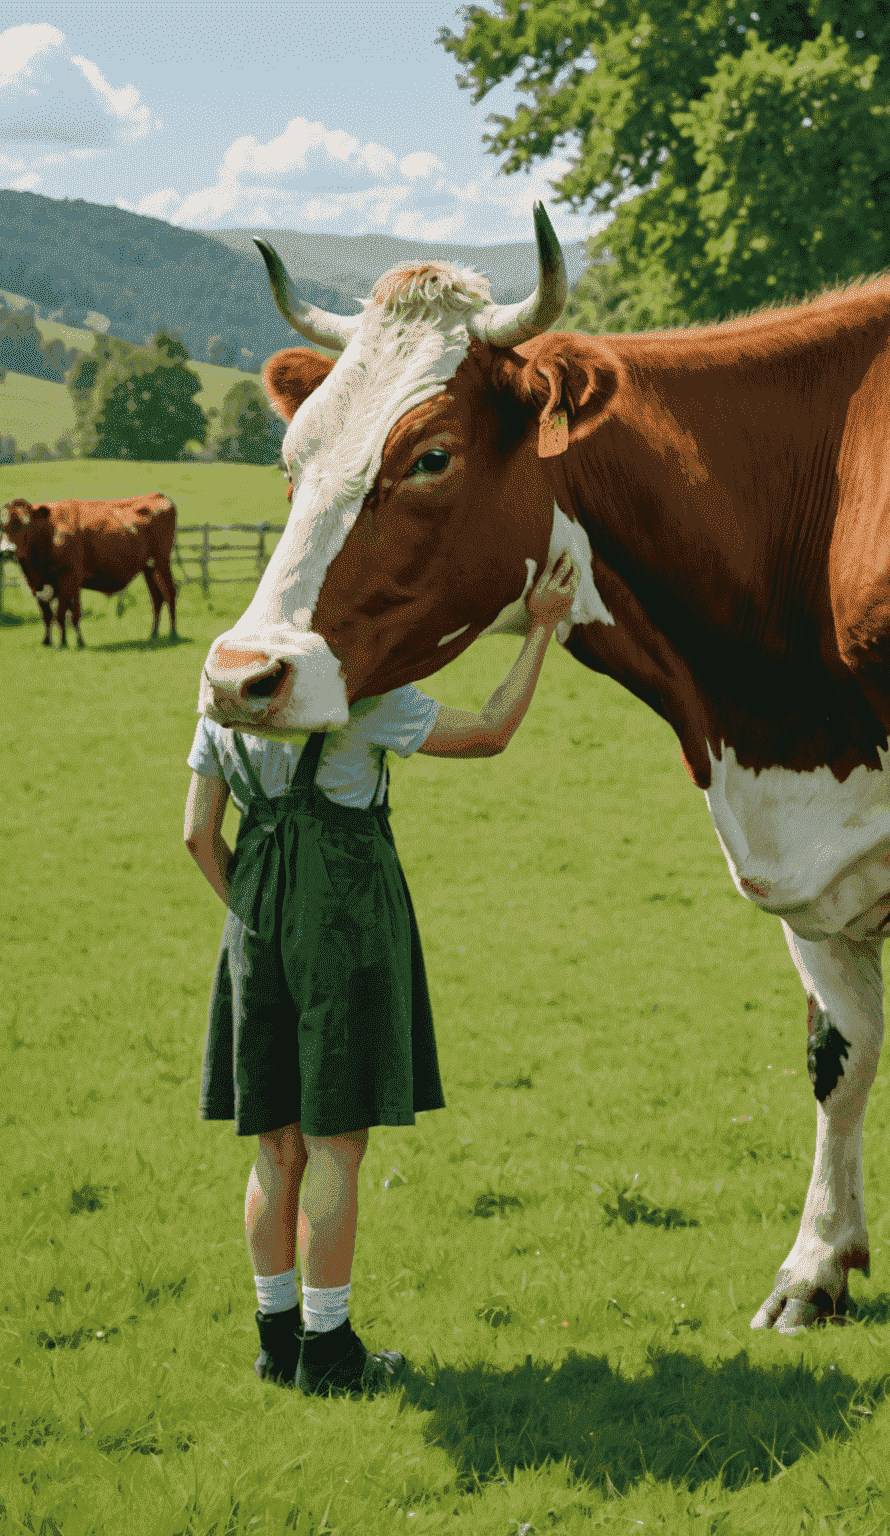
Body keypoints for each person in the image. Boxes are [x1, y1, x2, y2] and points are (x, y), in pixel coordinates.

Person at [183, 552, 579, 1397]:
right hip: (343, 916)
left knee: (275, 1143)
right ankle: (328, 1353)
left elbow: (194, 834)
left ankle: (275, 1339)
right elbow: (490, 731)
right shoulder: (357, 696)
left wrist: (253, 904)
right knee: (335, 1140)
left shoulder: (225, 691)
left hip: (253, 912)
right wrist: (539, 630)